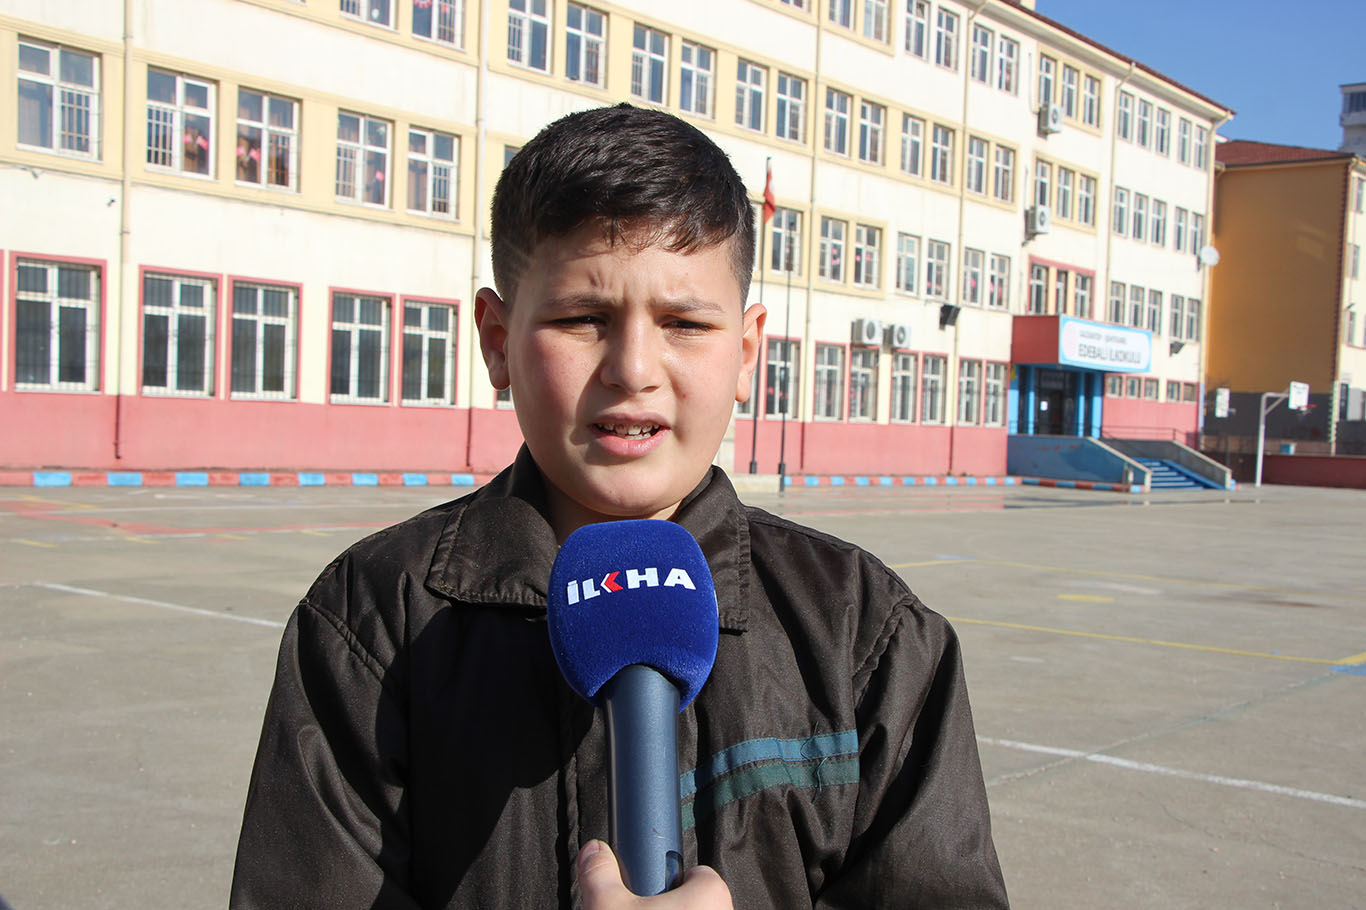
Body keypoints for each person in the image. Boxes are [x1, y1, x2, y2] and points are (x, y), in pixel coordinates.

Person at [230, 103, 1008, 909]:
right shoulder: (373, 622)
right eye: (582, 319)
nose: (634, 369)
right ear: (497, 340)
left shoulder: (864, 634)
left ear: (746, 352)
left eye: (684, 323)